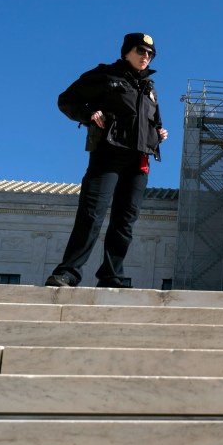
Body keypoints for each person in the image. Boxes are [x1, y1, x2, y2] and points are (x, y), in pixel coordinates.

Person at [45, 33, 168, 288]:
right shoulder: (105, 75)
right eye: (141, 51)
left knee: (125, 221)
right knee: (92, 213)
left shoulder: (149, 88)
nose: (146, 56)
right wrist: (89, 113)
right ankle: (68, 272)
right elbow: (67, 100)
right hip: (108, 154)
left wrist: (159, 133)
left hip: (139, 162)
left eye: (150, 54)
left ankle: (112, 276)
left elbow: (154, 121)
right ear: (126, 52)